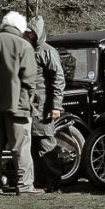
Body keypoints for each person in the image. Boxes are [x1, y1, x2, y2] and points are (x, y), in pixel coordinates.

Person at [0, 11, 41, 195]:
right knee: (21, 147)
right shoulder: (24, 45)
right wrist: (29, 100)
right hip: (16, 105)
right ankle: (25, 186)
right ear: (20, 27)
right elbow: (29, 78)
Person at [24, 16, 65, 192]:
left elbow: (58, 79)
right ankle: (38, 181)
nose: (28, 34)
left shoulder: (47, 52)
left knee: (45, 143)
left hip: (43, 106)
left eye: (31, 32)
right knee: (32, 145)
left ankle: (53, 181)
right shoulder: (26, 51)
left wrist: (55, 106)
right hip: (28, 105)